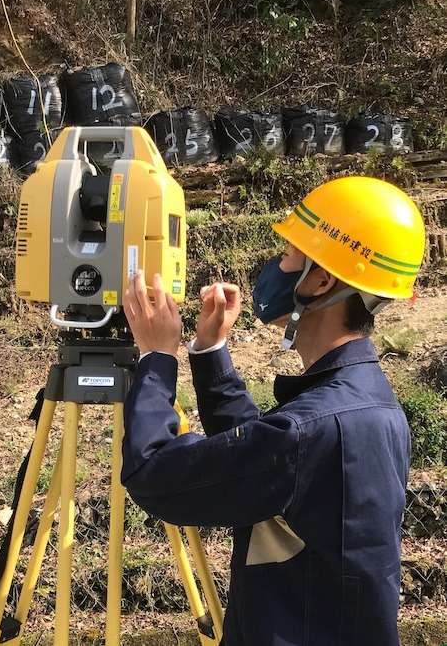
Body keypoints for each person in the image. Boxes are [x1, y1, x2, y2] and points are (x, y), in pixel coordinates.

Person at [119, 176, 426, 646]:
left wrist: (157, 358)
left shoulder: (311, 428)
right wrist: (209, 351)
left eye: (288, 256)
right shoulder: (367, 404)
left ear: (321, 280)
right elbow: (263, 461)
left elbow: (155, 475)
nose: (275, 267)